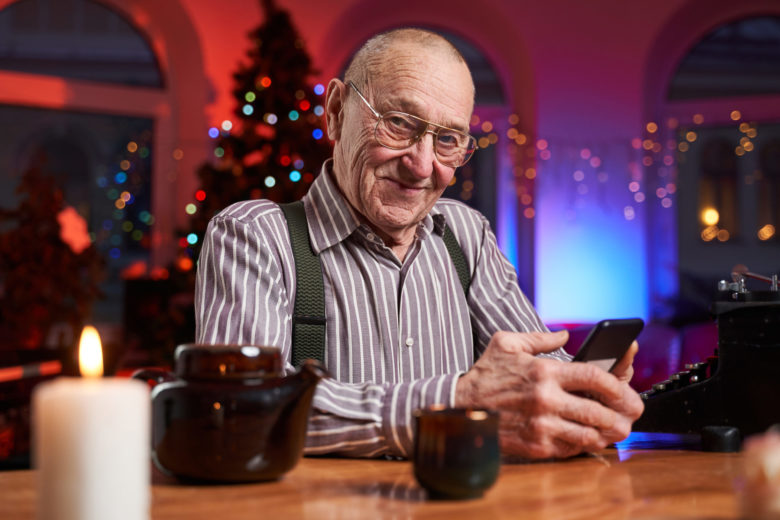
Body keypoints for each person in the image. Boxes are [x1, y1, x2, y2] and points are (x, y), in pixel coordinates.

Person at [195, 27, 644, 460]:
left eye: (448, 139)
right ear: (335, 111)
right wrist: (451, 402)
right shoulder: (253, 236)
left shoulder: (466, 235)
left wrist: (580, 392)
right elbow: (241, 408)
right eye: (398, 123)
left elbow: (534, 377)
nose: (422, 164)